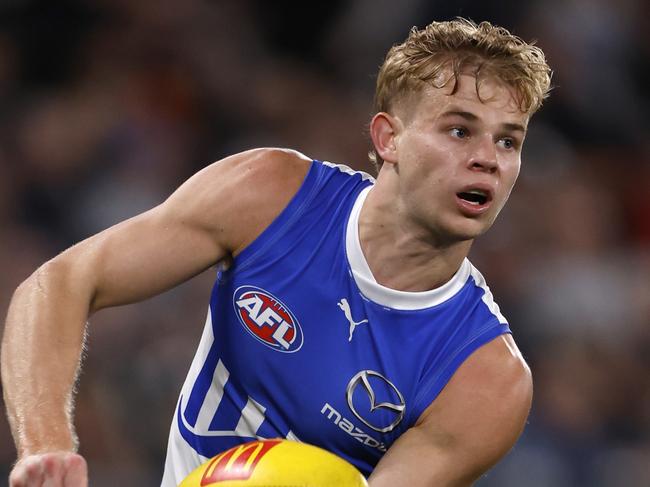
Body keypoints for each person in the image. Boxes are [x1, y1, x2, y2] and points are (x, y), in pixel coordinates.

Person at [2, 18, 551, 487]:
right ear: (388, 139)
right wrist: (46, 447)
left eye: (509, 140)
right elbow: (60, 283)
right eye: (460, 130)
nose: (488, 159)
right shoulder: (270, 195)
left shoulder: (484, 381)